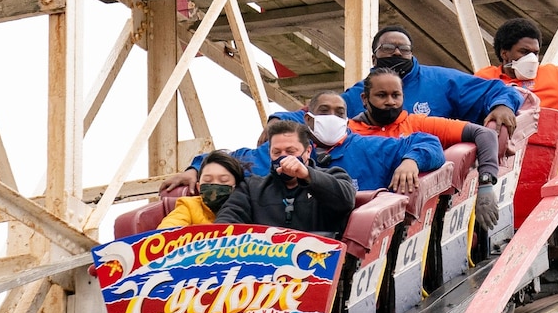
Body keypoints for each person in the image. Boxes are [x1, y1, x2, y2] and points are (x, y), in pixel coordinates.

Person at [161, 92, 444, 194]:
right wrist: (195, 169)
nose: (332, 118)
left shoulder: (370, 147)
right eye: (324, 112)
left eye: (340, 113)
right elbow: (224, 158)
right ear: (307, 120)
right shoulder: (265, 157)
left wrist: (411, 160)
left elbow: (428, 144)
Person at [349, 67, 503, 229]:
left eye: (396, 95)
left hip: (407, 223)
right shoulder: (348, 132)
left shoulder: (418, 125)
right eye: (381, 95)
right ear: (365, 99)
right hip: (358, 213)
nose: (390, 102)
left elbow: (484, 134)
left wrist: (486, 183)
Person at [342, 26, 520, 132]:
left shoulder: (442, 81)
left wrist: (503, 105)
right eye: (388, 47)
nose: (397, 52)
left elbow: (499, 90)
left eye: (404, 49)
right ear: (374, 58)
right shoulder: (353, 96)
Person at [214, 119, 357, 235]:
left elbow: (346, 200)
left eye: (290, 151)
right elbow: (227, 220)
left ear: (307, 152)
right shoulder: (251, 187)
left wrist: (307, 175)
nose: (283, 158)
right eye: (276, 152)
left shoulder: (334, 175)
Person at [159, 151, 245, 228]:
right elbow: (167, 230)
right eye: (208, 180)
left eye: (223, 180)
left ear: (236, 187)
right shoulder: (189, 206)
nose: (215, 184)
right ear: (198, 187)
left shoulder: (246, 208)